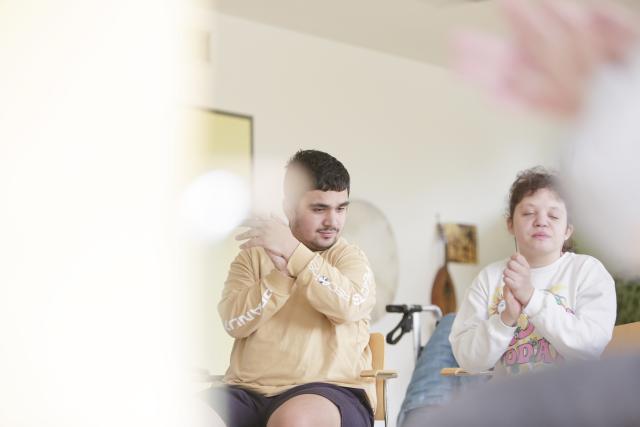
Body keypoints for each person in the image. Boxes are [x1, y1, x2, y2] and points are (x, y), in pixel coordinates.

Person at [202, 149, 376, 427]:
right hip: (244, 391)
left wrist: (294, 254)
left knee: (293, 420)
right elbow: (234, 322)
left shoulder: (350, 258)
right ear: (288, 207)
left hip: (328, 390)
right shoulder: (252, 256)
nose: (333, 221)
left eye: (341, 208)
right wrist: (281, 277)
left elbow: (348, 306)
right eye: (319, 209)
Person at [450, 167, 616, 375]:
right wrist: (505, 319)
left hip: (571, 404)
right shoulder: (489, 278)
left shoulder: (587, 272)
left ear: (567, 230)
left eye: (554, 216)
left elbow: (590, 348)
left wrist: (531, 298)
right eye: (529, 213)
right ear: (510, 224)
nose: (541, 221)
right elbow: (468, 360)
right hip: (508, 403)